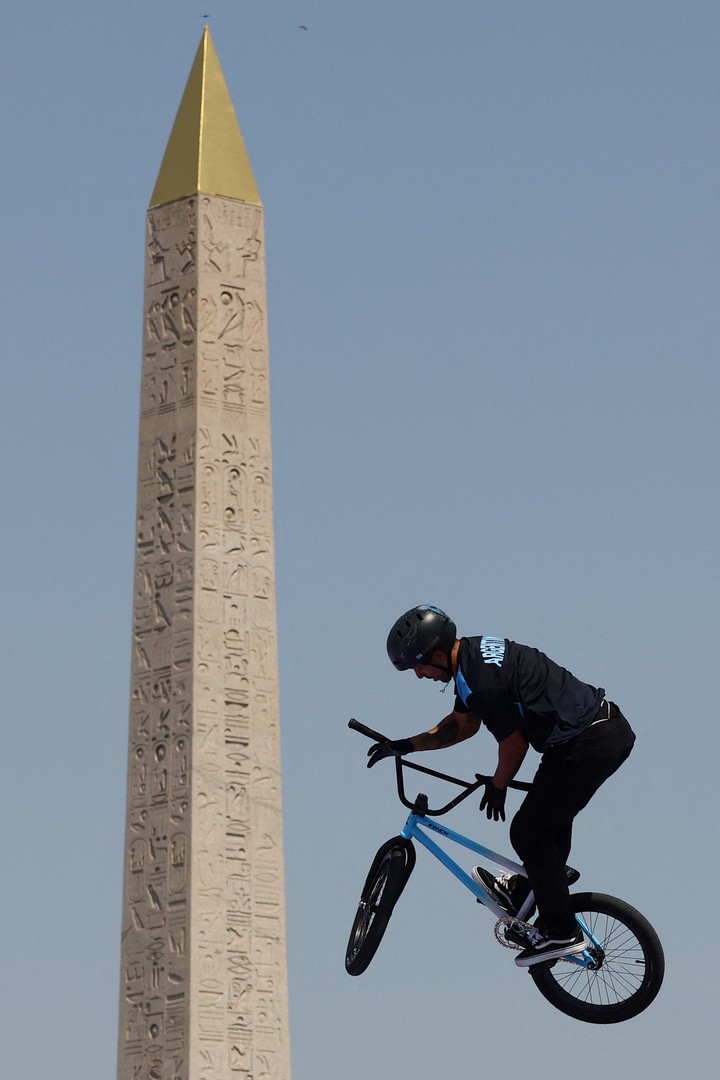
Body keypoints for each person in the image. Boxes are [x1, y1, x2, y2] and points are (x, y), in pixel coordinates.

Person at [369, 604, 636, 967]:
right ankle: (535, 889)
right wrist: (408, 744)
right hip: (593, 734)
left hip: (588, 742)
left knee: (527, 832)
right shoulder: (471, 658)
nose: (419, 675)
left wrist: (498, 785)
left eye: (418, 666)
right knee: (547, 820)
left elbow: (513, 744)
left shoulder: (480, 683)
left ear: (435, 654)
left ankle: (562, 932)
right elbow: (461, 725)